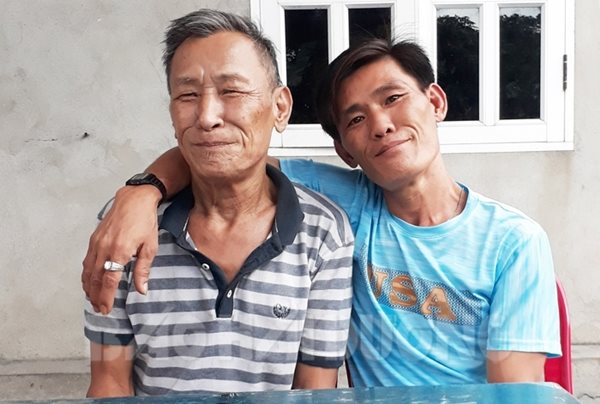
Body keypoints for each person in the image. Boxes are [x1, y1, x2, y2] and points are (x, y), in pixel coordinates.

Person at [82, 36, 560, 387]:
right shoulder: (347, 205)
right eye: (356, 118)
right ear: (346, 150)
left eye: (393, 98)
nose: (381, 125)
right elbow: (225, 153)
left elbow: (513, 392)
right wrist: (141, 193)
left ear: (434, 102)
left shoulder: (513, 242)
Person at [83, 9, 354, 397]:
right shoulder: (127, 227)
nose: (207, 117)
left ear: (280, 108)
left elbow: (314, 390)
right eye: (188, 95)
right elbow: (109, 380)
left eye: (232, 91)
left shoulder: (323, 232)